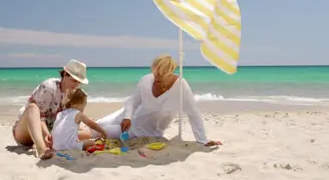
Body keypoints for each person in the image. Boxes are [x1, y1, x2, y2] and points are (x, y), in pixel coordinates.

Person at [91, 54, 222, 147]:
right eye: (154, 75)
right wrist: (127, 117)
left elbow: (193, 113)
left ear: (171, 73)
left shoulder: (181, 87)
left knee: (98, 132)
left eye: (160, 78)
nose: (156, 80)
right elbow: (132, 101)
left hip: (141, 130)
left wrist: (203, 140)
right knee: (95, 126)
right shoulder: (146, 80)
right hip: (127, 117)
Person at [11, 59, 89, 159]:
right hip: (26, 130)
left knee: (87, 132)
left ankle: (49, 141)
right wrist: (47, 135)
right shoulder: (49, 87)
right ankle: (41, 149)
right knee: (33, 107)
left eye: (79, 82)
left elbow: (75, 118)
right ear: (65, 74)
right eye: (74, 80)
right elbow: (41, 118)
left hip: (51, 133)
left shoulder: (77, 94)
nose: (76, 85)